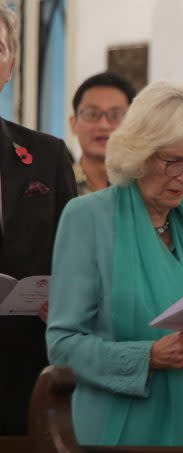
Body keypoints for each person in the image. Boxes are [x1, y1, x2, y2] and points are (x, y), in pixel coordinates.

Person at [46, 81, 183, 447]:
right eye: (172, 161)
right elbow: (63, 344)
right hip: (122, 426)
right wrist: (147, 356)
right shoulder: (88, 218)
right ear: (139, 152)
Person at [0, 3, 76, 435]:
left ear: (10, 66)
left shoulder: (44, 154)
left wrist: (67, 298)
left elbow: (77, 254)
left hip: (26, 365)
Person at [70, 71, 136, 195]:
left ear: (133, 125)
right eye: (92, 114)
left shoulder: (145, 189)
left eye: (115, 115)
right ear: (73, 124)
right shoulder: (56, 185)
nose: (103, 125)